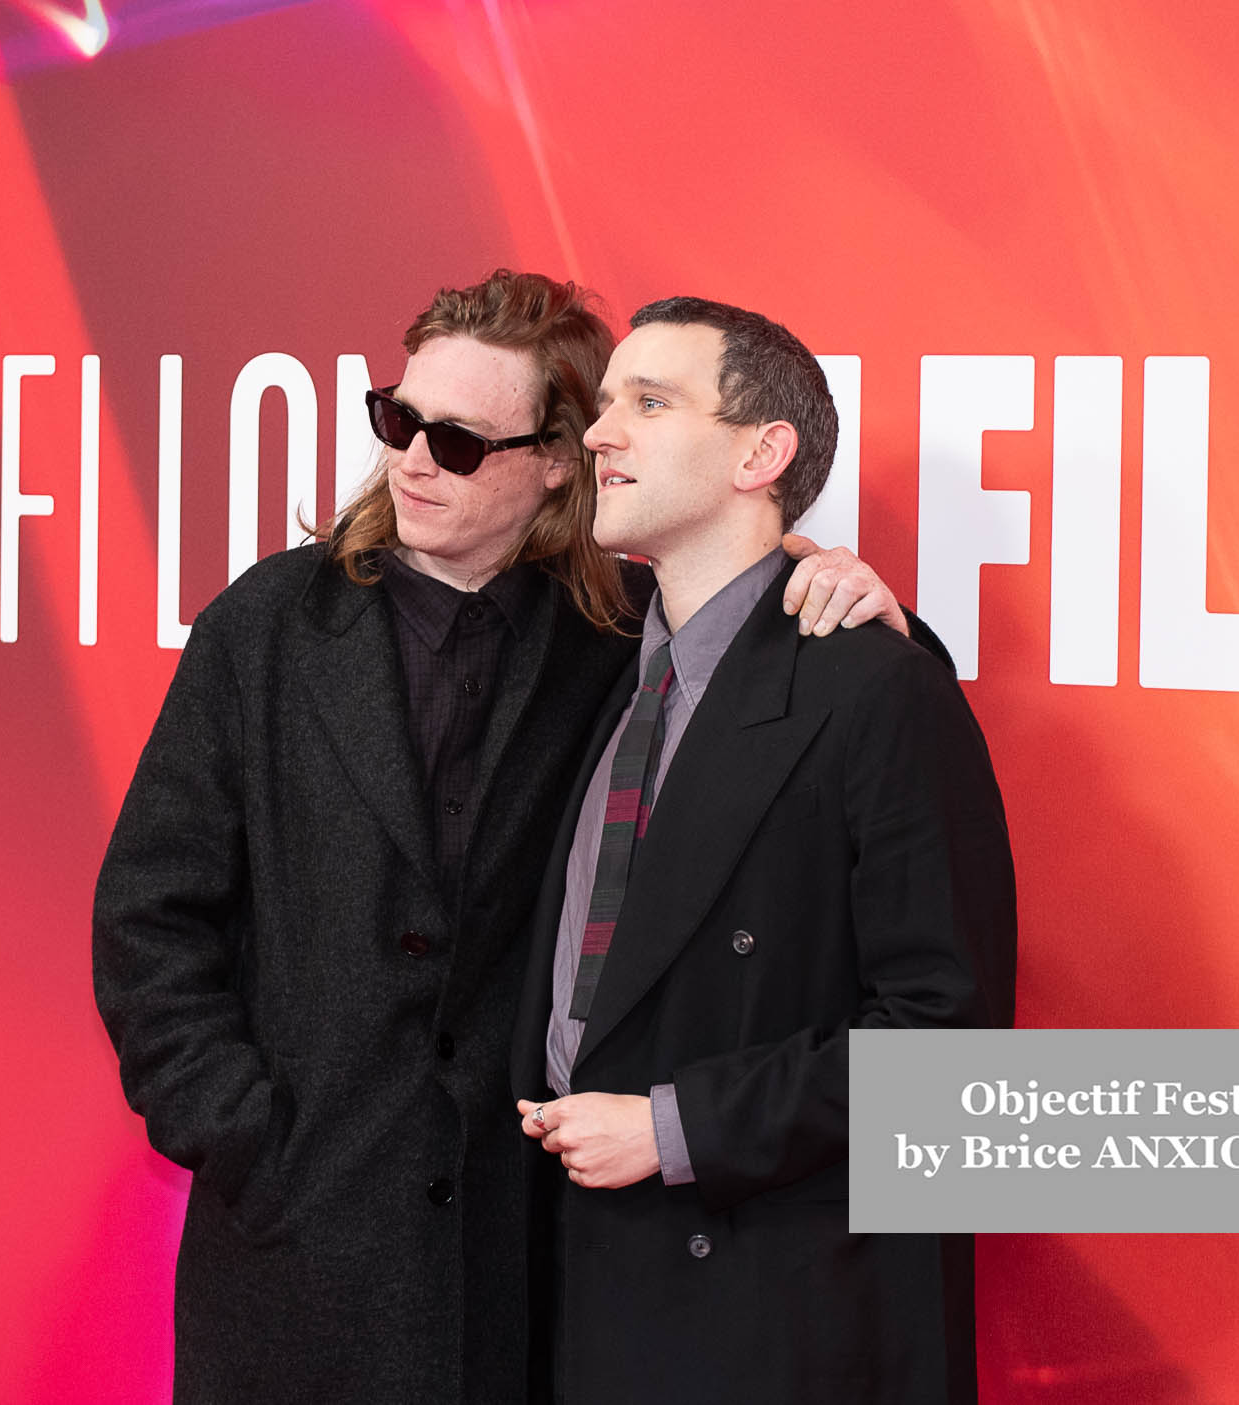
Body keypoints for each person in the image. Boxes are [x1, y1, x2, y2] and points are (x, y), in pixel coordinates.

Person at [92, 270, 909, 1404]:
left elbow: (787, 665)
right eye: (398, 422)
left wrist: (846, 588)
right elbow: (147, 912)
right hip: (293, 1249)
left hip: (510, 1262)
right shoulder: (270, 625)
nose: (415, 459)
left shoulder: (620, 635)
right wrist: (240, 1132)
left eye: (461, 442)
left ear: (558, 460)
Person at [512, 296, 1017, 1403]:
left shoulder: (879, 689)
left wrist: (675, 1126)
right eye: (604, 408)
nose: (599, 435)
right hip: (593, 1294)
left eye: (649, 403)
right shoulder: (611, 672)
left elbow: (950, 1050)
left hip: (782, 1319)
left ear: (762, 452)